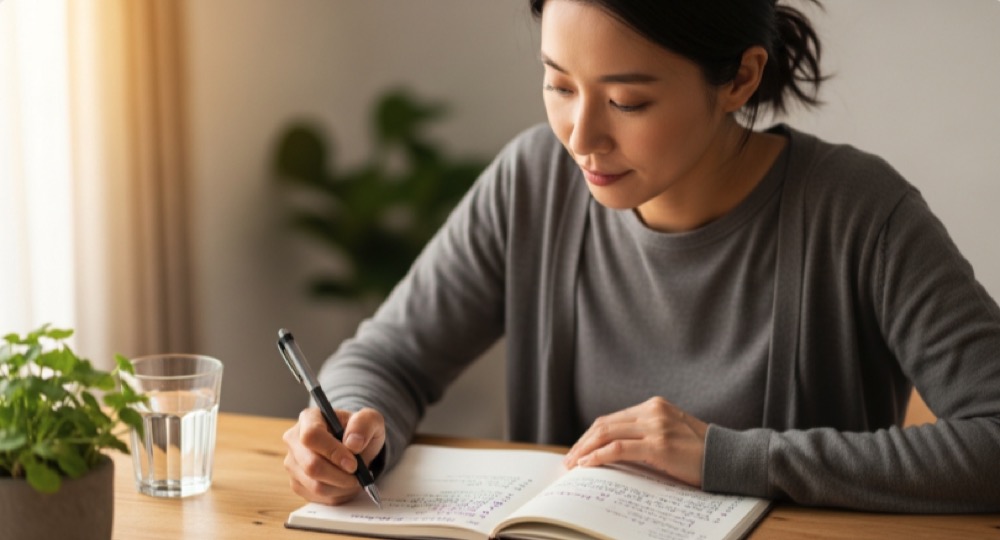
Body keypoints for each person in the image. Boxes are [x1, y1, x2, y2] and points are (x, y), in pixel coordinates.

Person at [283, 0, 1000, 512]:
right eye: (559, 84)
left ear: (741, 80)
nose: (580, 135)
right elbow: (391, 356)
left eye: (627, 101)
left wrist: (732, 457)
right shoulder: (533, 182)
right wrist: (350, 421)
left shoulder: (859, 212)